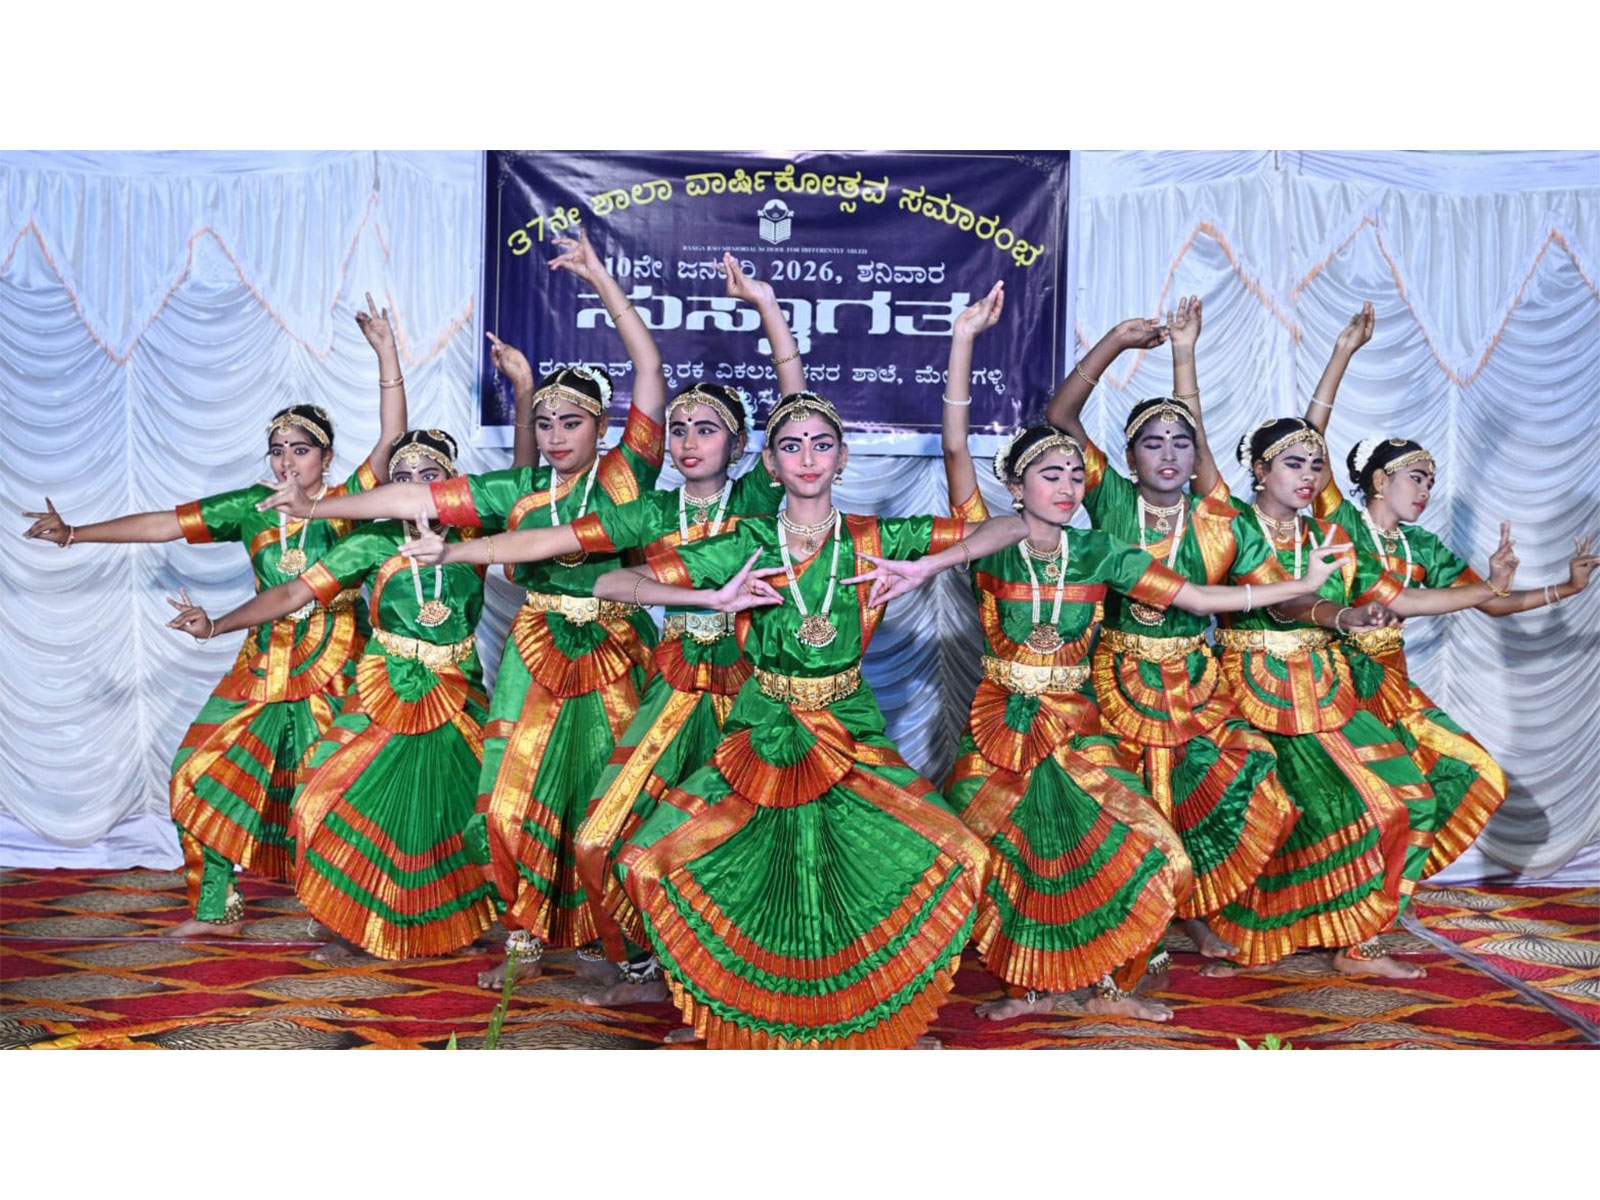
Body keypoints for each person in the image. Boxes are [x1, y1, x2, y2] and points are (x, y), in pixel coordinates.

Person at [259, 229, 665, 986]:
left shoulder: (626, 478)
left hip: (615, 652)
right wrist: (315, 507)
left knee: (603, 802)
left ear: (603, 427)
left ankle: (616, 945)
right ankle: (525, 939)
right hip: (535, 648)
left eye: (571, 422)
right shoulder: (520, 491)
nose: (555, 436)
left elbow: (649, 369)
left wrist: (602, 280)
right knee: (509, 804)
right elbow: (411, 498)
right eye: (545, 423)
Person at [397, 254, 805, 1004]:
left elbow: (792, 409)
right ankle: (578, 945)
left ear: (745, 446)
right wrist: (335, 511)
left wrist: (767, 308)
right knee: (564, 818)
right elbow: (536, 537)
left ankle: (702, 968)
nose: (687, 441)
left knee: (709, 828)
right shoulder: (645, 508)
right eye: (677, 429)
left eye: (706, 430)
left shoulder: (740, 495)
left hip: (724, 682)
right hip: (649, 676)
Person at [939, 299, 1355, 1021]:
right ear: (1016, 486)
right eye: (1051, 475)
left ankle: (1114, 983)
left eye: (1075, 476)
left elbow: (1198, 598)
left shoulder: (1102, 548)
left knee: (1145, 845)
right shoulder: (989, 541)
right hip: (1006, 724)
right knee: (1019, 853)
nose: (1067, 486)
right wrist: (965, 338)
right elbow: (956, 449)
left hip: (1085, 719)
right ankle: (1029, 986)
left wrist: (1303, 587)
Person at [585, 391, 1023, 1048]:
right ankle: (727, 1015)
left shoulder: (871, 538)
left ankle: (878, 1022)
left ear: (842, 458)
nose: (808, 457)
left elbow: (1010, 528)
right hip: (762, 732)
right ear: (771, 462)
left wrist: (928, 566)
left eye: (822, 444)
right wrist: (708, 596)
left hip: (850, 730)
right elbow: (608, 585)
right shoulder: (748, 542)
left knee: (958, 855)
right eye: (792, 446)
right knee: (652, 865)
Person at [21, 294, 407, 934]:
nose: (287, 461)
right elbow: (164, 524)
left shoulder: (350, 503)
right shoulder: (251, 506)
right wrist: (75, 534)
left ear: (326, 457)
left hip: (339, 664)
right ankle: (216, 906)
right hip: (262, 663)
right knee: (196, 770)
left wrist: (386, 354)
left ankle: (342, 906)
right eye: (278, 450)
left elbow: (392, 439)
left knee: (337, 786)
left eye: (301, 450)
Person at [1039, 294, 1304, 961]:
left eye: (1181, 443)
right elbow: (1059, 417)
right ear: (1130, 458)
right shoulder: (1109, 497)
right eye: (1152, 442)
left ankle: (1195, 910)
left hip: (1193, 678)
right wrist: (1113, 342)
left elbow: (1269, 590)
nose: (1169, 452)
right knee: (1131, 798)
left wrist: (1186, 354)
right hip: (1115, 675)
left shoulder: (1214, 515)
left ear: (1196, 456)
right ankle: (1137, 917)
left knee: (1218, 783)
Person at [168, 431, 498, 959]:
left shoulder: (476, 532)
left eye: (429, 476)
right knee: (328, 795)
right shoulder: (373, 541)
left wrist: (522, 400)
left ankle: (451, 922)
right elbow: (293, 591)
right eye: (403, 478)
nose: (416, 488)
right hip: (385, 687)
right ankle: (352, 917)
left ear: (452, 482)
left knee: (452, 805)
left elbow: (528, 496)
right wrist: (217, 625)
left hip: (458, 691)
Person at [1205, 417, 1514, 978]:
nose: (1307, 474)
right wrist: (1342, 615)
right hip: (1250, 688)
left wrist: (1516, 587)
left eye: (1314, 465)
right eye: (1293, 463)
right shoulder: (1234, 525)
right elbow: (1283, 602)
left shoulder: (1331, 536)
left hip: (1327, 686)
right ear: (1260, 470)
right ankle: (1247, 933)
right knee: (1280, 812)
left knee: (1412, 802)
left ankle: (1362, 940)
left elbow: (1398, 600)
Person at [1302, 304, 1599, 880]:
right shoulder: (1338, 519)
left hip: (1393, 684)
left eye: (1432, 482)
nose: (1426, 490)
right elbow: (1309, 440)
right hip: (1333, 684)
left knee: (1471, 774)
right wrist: (1343, 352)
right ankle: (1350, 908)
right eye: (1417, 477)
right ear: (1380, 479)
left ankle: (1387, 898)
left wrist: (1565, 587)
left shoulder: (1423, 547)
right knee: (1359, 806)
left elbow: (1494, 603)